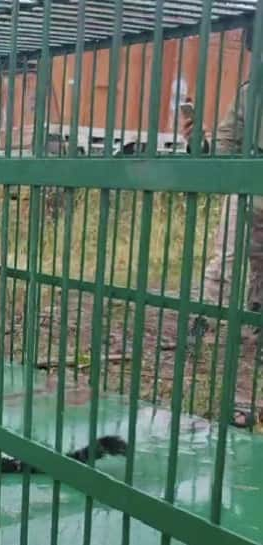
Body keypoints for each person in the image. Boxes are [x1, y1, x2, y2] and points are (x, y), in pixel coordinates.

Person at [183, 24, 263, 428]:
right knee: (227, 257)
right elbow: (229, 137)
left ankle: (258, 328)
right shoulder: (252, 91)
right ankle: (201, 321)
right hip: (247, 186)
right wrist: (208, 149)